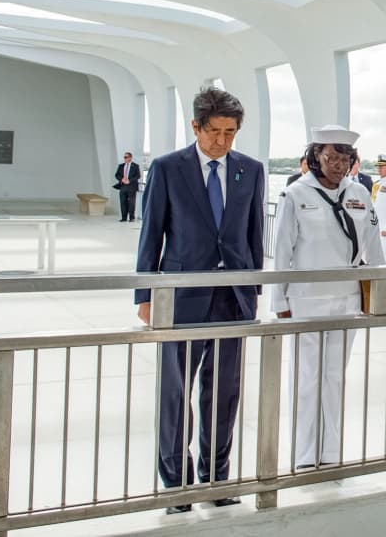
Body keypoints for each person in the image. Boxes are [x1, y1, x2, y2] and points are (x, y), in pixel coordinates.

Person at [134, 87, 265, 513]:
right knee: (177, 394)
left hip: (233, 300)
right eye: (214, 132)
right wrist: (145, 294)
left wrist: (254, 289)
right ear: (196, 126)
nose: (222, 142)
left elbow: (252, 235)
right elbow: (151, 233)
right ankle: (177, 486)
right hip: (182, 299)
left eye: (230, 133)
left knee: (224, 394)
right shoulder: (169, 168)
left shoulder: (252, 170)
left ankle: (216, 479)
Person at [271, 125, 384, 469]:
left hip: (346, 300)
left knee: (334, 378)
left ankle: (330, 454)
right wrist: (280, 302)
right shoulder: (296, 194)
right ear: (315, 157)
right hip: (305, 300)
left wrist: (379, 297)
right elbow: (281, 252)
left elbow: (374, 248)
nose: (338, 164)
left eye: (345, 157)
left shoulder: (360, 194)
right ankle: (305, 455)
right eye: (331, 156)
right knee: (307, 379)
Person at [114, 151, 141, 221]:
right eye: (124, 157)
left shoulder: (135, 166)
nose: (125, 158)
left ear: (130, 158)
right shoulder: (121, 166)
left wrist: (130, 180)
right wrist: (122, 179)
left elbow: (138, 176)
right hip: (123, 186)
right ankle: (124, 217)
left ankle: (132, 217)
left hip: (131, 186)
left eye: (126, 157)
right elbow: (117, 175)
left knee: (131, 202)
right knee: (123, 202)